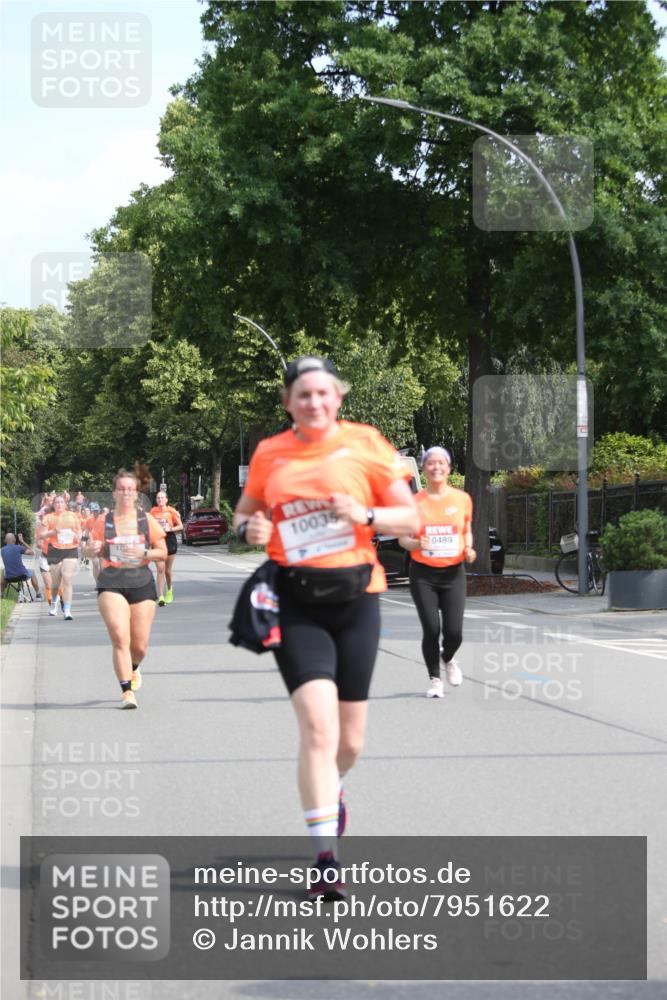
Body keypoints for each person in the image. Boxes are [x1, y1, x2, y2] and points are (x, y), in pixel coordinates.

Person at [233, 355, 419, 899]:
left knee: (351, 740)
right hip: (295, 601)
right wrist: (251, 528)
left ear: (338, 396)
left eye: (323, 393)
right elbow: (245, 516)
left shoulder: (368, 444)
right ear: (288, 402)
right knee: (318, 728)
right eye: (302, 395)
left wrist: (362, 516)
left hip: (358, 596)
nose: (314, 402)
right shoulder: (271, 453)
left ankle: (332, 788)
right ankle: (324, 859)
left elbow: (410, 519)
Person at [84, 469, 167, 709]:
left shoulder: (146, 520)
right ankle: (126, 691)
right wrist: (90, 549)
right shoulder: (104, 521)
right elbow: (90, 550)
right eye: (121, 489)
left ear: (136, 493)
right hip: (111, 581)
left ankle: (133, 667)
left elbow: (162, 551)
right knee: (120, 636)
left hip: (141, 580)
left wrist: (143, 553)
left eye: (130, 489)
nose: (126, 493)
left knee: (139, 646)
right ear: (114, 493)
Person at [398, 446, 476, 699]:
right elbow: (403, 539)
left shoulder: (462, 499)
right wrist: (416, 544)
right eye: (431, 462)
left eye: (441, 462)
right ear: (423, 468)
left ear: (449, 467)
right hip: (423, 574)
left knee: (454, 632)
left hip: (453, 574)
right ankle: (435, 681)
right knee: (432, 629)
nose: (436, 467)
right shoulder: (413, 502)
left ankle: (449, 658)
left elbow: (466, 530)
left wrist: (469, 548)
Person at [37, 494, 81, 620]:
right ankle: (54, 604)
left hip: (70, 549)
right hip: (54, 550)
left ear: (65, 504)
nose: (59, 504)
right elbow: (41, 535)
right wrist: (53, 532)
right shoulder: (48, 517)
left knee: (67, 578)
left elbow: (78, 531)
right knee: (55, 583)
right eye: (57, 502)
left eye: (61, 502)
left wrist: (78, 536)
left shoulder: (72, 516)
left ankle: (67, 610)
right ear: (53, 505)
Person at [150, 490, 183, 605]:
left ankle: (169, 590)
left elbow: (181, 526)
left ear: (166, 500)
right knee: (160, 569)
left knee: (167, 571)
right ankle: (161, 596)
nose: (160, 500)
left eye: (162, 498)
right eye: (158, 498)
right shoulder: (153, 511)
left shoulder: (172, 511)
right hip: (158, 541)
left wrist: (170, 529)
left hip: (169, 540)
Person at [1, 532, 42, 599]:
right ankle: (38, 594)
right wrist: (22, 541)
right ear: (14, 540)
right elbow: (32, 552)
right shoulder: (19, 548)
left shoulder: (2, 550)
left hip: (8, 577)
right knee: (33, 572)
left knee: (3, 570)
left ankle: (1, 594)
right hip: (22, 575)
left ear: (5, 540)